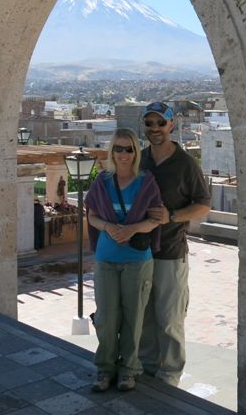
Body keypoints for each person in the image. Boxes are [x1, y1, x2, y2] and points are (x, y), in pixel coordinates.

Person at [84, 129, 163, 393]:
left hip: (137, 260)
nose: (123, 154)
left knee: (134, 318)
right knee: (107, 317)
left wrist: (132, 229)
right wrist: (107, 226)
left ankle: (129, 370)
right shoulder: (102, 182)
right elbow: (91, 215)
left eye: (129, 149)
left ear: (136, 152)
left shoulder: (146, 182)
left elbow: (156, 218)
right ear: (111, 151)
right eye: (118, 148)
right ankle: (105, 368)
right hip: (106, 258)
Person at [138, 102, 211, 386]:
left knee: (169, 319)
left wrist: (173, 216)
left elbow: (204, 204)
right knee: (143, 317)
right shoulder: (139, 160)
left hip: (170, 252)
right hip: (140, 252)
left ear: (171, 125)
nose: (155, 129)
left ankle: (169, 378)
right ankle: (146, 369)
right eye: (149, 124)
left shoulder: (185, 164)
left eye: (160, 123)